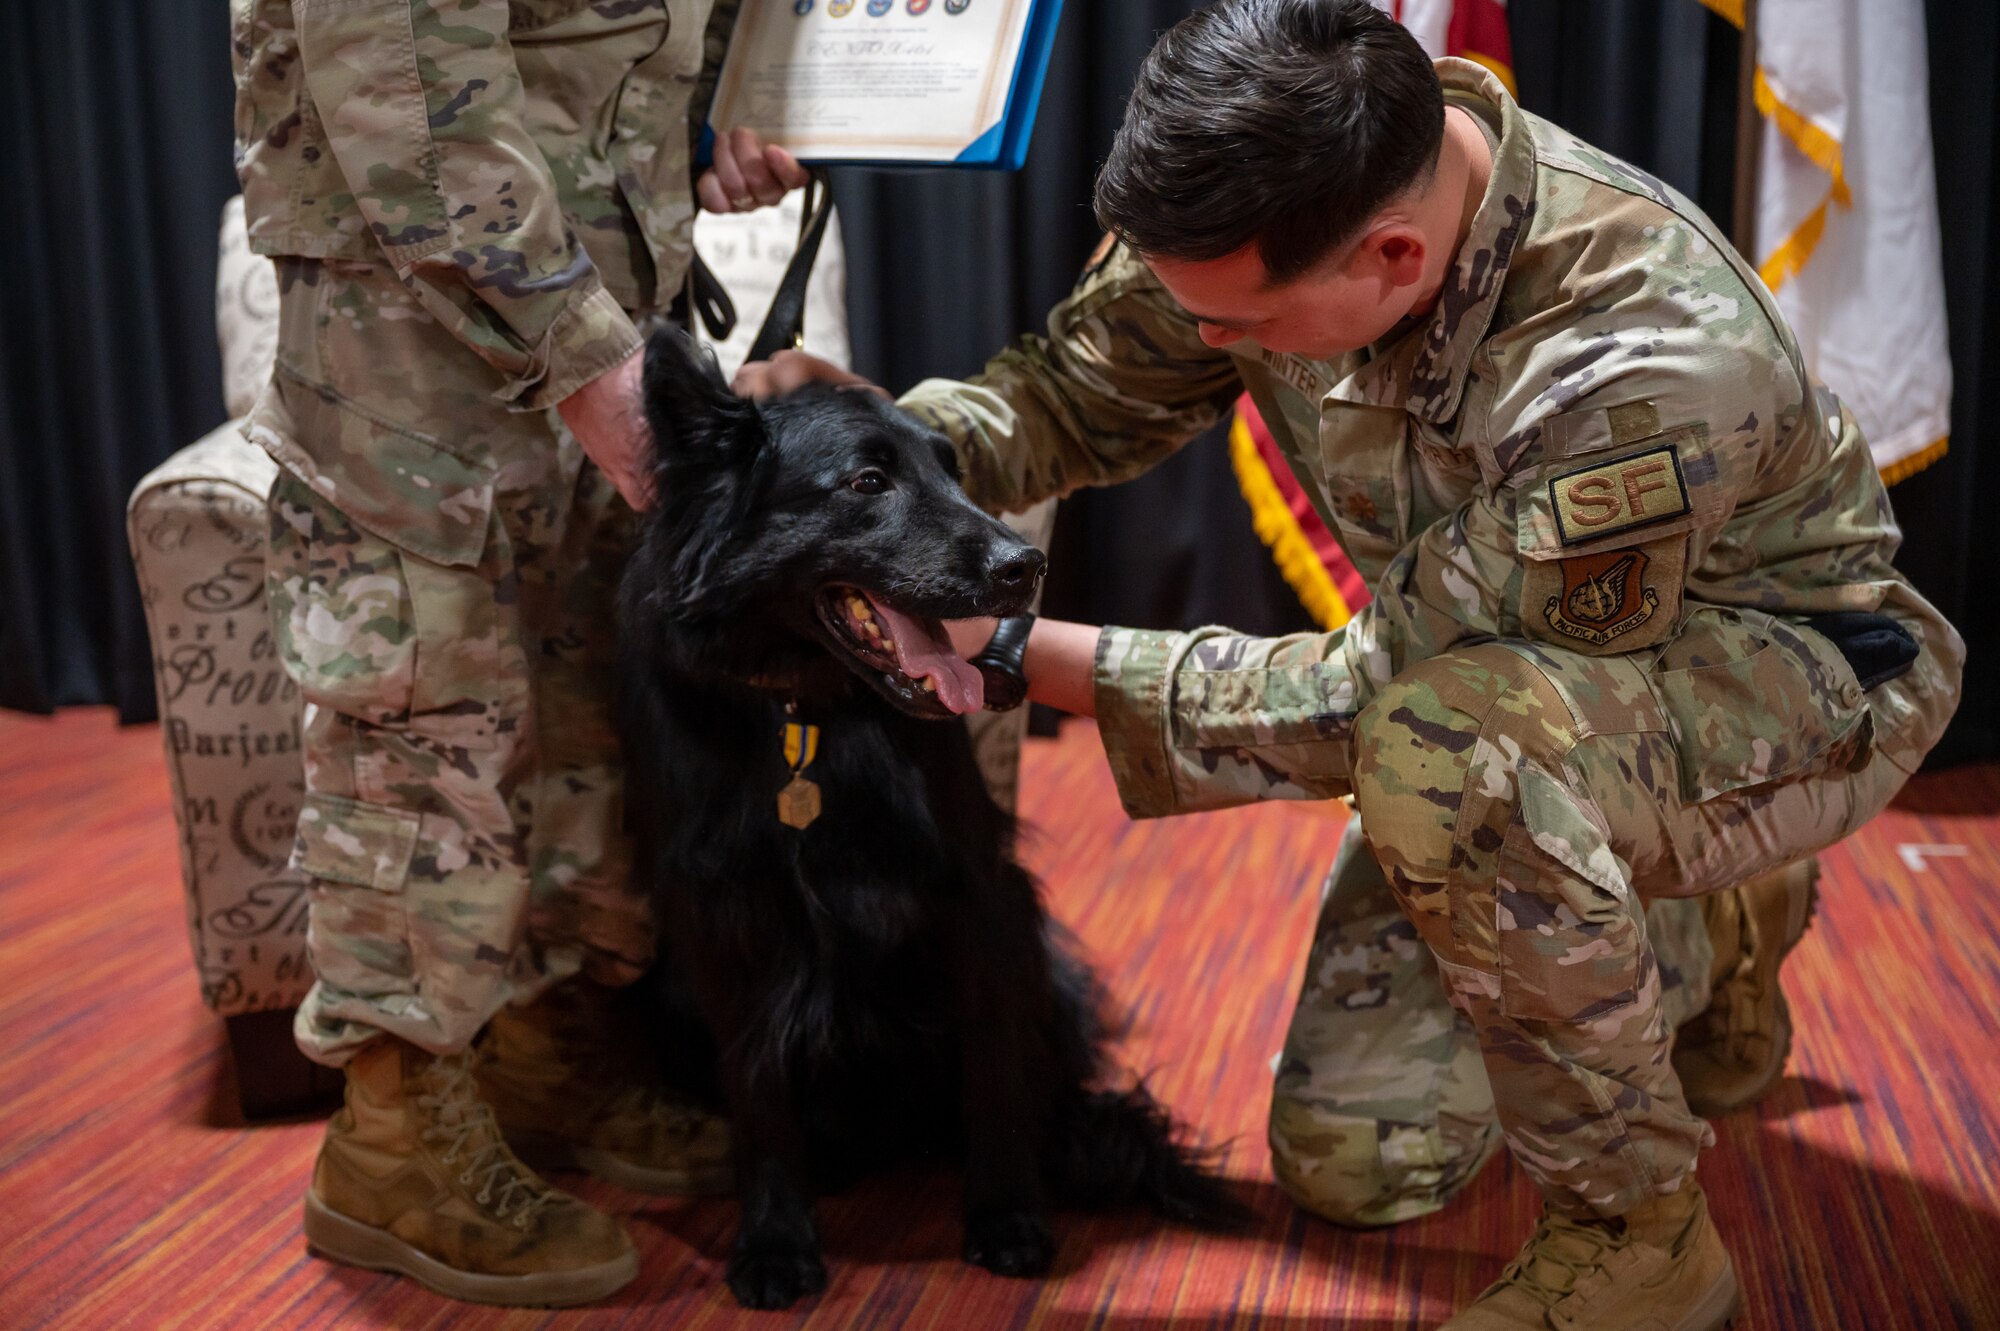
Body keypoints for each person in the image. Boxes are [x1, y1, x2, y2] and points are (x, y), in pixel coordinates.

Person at [728, 1, 1964, 1327]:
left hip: (1779, 680)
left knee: (1445, 755)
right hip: (1507, 688)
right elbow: (1068, 395)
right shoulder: (1267, 194)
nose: (1207, 343)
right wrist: (874, 457)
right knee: (1362, 1163)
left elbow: (1374, 698)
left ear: (1390, 255)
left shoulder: (1637, 360)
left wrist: (1018, 653)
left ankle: (1640, 1238)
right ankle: (1701, 917)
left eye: (1233, 324)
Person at [230, 0, 809, 1307]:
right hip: (415, 313)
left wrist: (717, 119)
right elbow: (399, 67)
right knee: (423, 717)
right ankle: (392, 1142)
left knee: (581, 697)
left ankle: (554, 1053)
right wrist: (583, 350)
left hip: (593, 283)